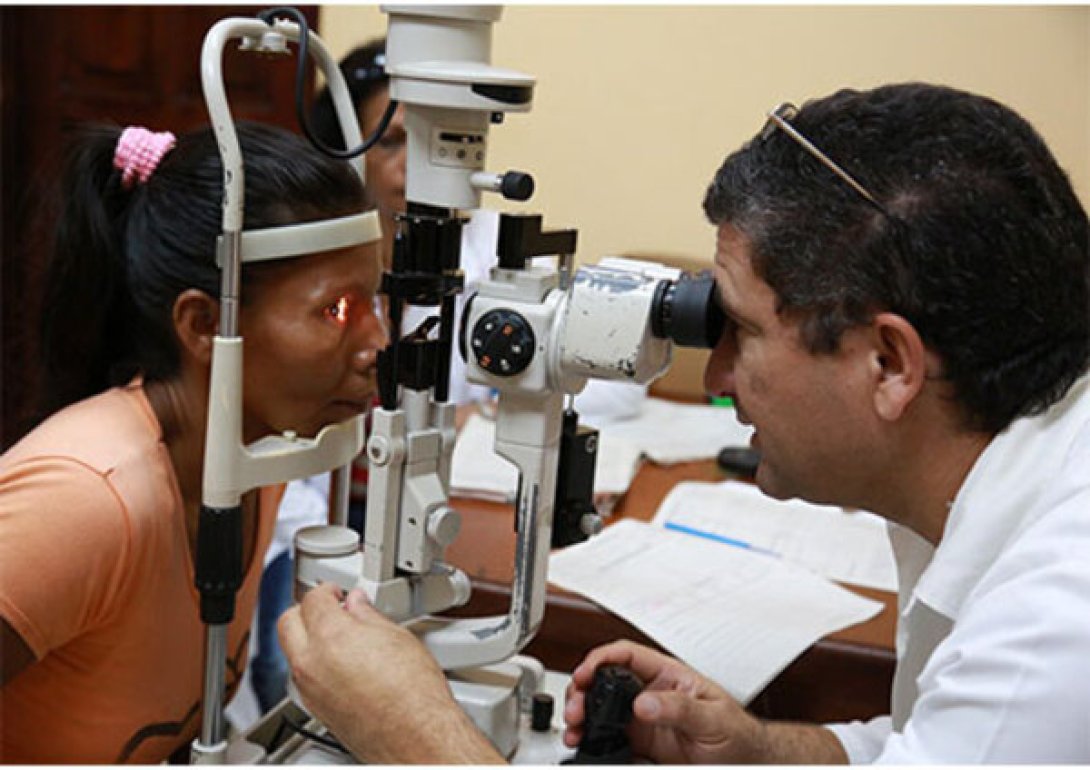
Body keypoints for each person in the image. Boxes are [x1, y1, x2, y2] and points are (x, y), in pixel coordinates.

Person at [276, 81, 1090, 764]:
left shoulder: (1054, 631)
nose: (722, 379)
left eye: (743, 328)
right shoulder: (999, 476)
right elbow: (927, 744)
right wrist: (757, 747)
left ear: (889, 364)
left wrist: (414, 737)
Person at [236, 38, 649, 724]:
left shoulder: (487, 251)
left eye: (438, 143)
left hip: (442, 508)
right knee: (299, 670)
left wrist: (491, 398)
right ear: (348, 152)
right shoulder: (306, 265)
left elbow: (617, 380)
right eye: (392, 141)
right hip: (324, 515)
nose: (410, 168)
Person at [0, 122, 387, 763]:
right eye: (338, 311)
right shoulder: (85, 502)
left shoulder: (253, 460)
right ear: (204, 324)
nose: (380, 344)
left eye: (375, 300)